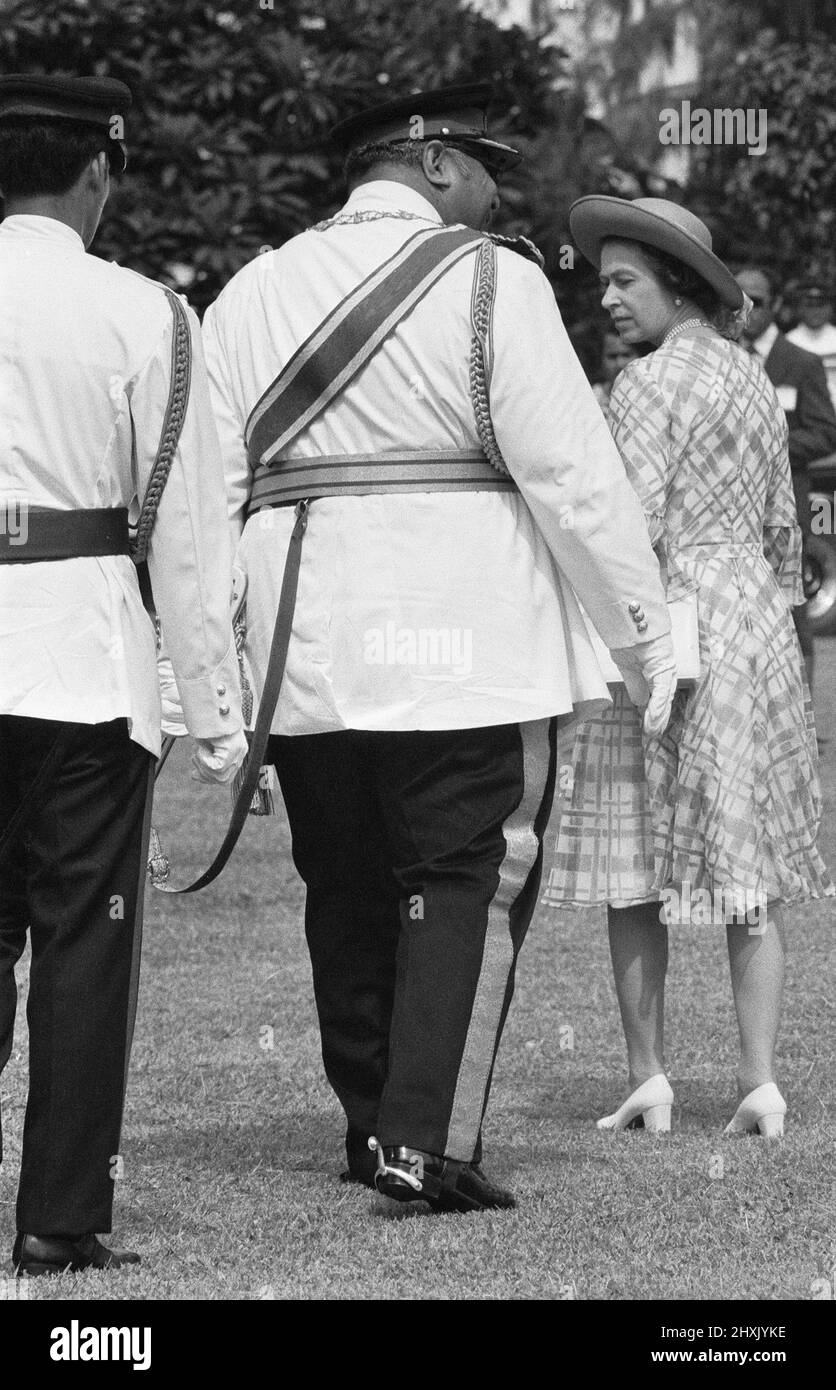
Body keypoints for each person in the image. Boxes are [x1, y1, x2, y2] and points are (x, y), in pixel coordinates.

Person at [202, 84, 676, 1214]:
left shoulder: (249, 291)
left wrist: (213, 678)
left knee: (346, 886)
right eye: (484, 167)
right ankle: (422, 1137)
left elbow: (207, 499)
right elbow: (569, 478)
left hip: (303, 639)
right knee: (460, 878)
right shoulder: (490, 279)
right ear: (429, 165)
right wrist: (643, 637)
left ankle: (369, 1125)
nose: (496, 191)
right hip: (463, 635)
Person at [0, 75, 246, 1277]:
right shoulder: (144, 311)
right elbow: (192, 528)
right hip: (84, 664)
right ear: (97, 171)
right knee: (83, 945)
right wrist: (218, 711)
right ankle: (57, 1215)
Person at [542, 197, 833, 1139]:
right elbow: (786, 528)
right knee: (745, 855)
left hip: (667, 619)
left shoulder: (646, 383)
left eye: (626, 282)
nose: (609, 301)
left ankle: (650, 1076)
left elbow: (634, 526)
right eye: (603, 283)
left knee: (635, 855)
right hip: (751, 617)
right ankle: (759, 1081)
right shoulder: (753, 377)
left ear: (678, 283)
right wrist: (769, 611)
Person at [736, 267, 836, 690]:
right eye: (740, 297)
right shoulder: (723, 357)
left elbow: (825, 431)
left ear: (775, 304)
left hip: (785, 510)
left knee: (792, 616)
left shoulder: (800, 362)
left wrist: (768, 446)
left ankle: (806, 722)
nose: (748, 309)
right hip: (730, 514)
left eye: (758, 299)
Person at [786, 275, 836, 415]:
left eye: (820, 305)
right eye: (809, 305)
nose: (815, 311)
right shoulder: (788, 342)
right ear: (799, 307)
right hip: (804, 417)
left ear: (830, 308)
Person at [591, 325, 639, 407]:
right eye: (612, 356)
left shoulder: (655, 396)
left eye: (626, 355)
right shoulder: (592, 399)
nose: (619, 364)